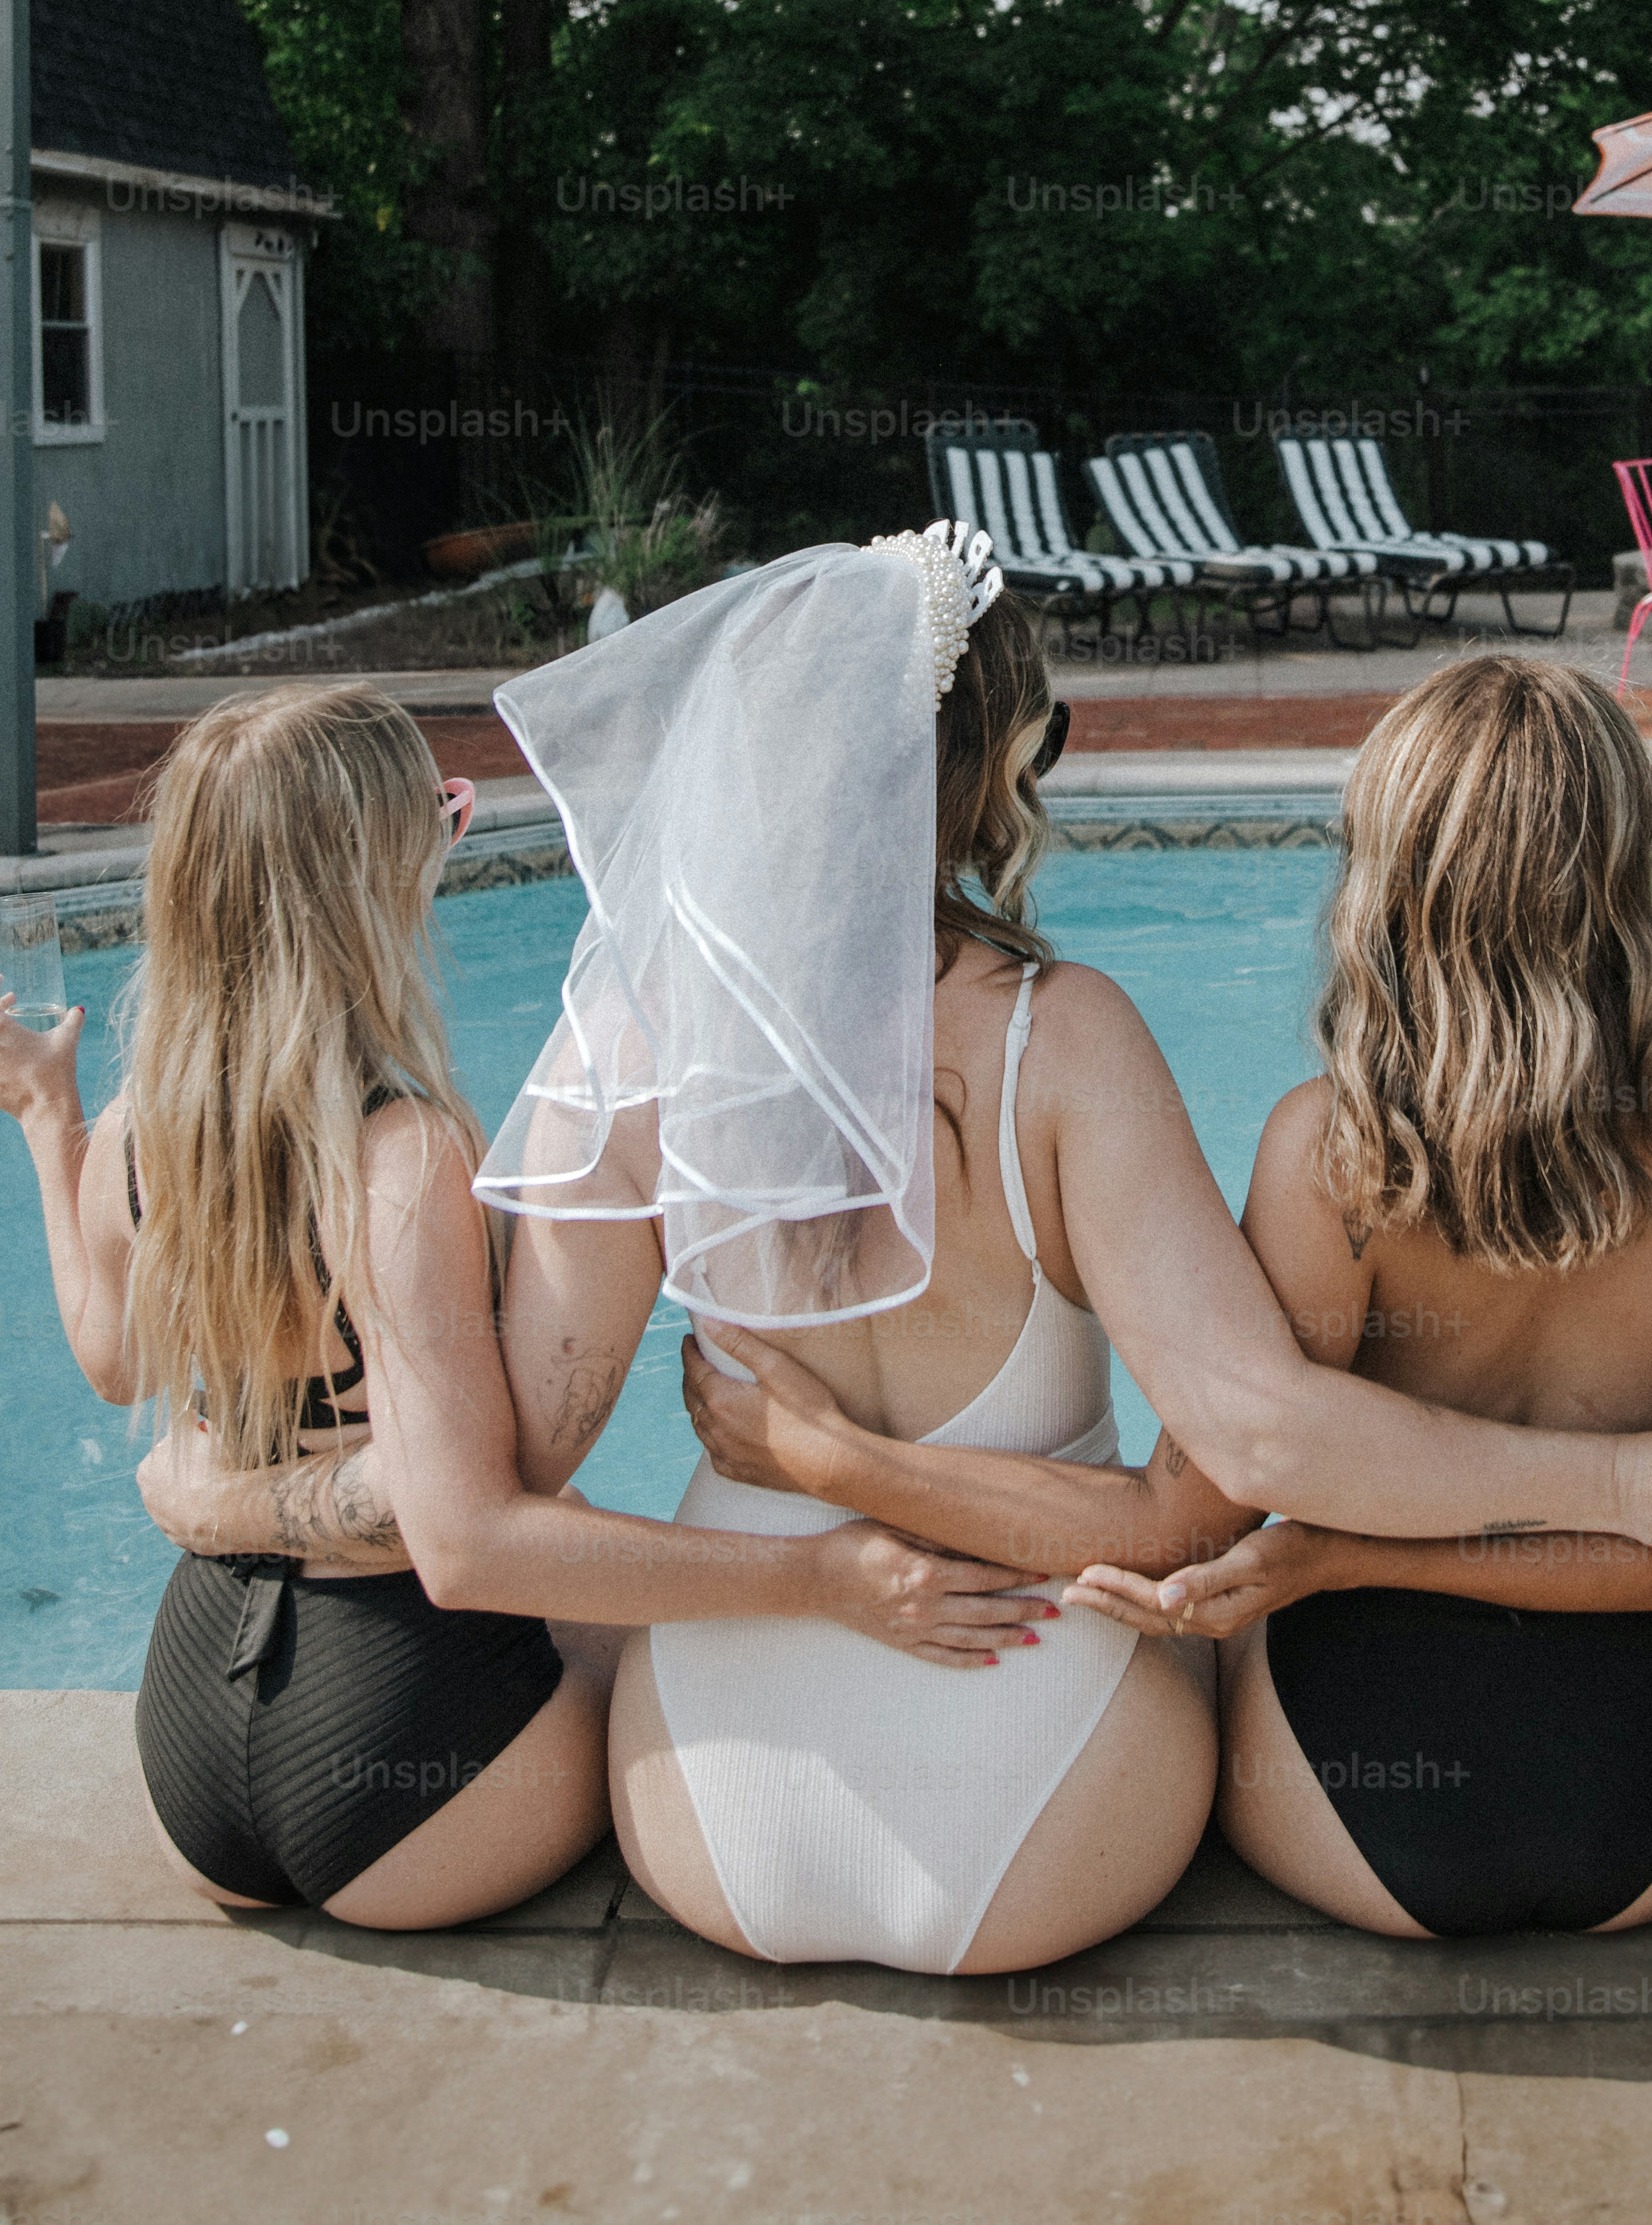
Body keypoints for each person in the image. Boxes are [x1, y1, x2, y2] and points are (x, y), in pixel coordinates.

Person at [691, 654, 1652, 1939]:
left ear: (1385, 876)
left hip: (1355, 1808)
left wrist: (838, 1458)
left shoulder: (1333, 1154)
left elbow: (1183, 1524)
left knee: (1202, 1628)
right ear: (1617, 866)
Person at [29, 682, 1053, 1930]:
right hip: (408, 1783)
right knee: (684, 1670)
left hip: (191, 1756)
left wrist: (47, 1121)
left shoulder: (138, 1135)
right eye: (441, 821)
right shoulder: (396, 1153)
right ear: (372, 874)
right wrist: (819, 1575)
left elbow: (110, 1359)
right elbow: (467, 1546)